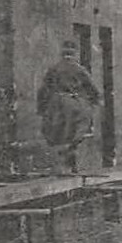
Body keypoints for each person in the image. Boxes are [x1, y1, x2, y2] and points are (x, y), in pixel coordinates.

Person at [37, 40, 101, 175]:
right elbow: (92, 88)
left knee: (57, 135)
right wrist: (94, 101)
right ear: (75, 54)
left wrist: (42, 108)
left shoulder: (53, 69)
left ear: (62, 53)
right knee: (77, 133)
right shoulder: (79, 69)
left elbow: (43, 90)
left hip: (55, 105)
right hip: (73, 104)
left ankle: (61, 166)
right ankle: (71, 165)